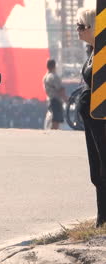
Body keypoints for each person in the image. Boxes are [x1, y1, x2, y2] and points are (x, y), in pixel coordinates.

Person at [76, 8, 106, 228]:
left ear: (93, 28)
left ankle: (103, 219)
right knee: (96, 171)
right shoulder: (93, 52)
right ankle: (101, 218)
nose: (78, 30)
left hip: (101, 121)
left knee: (103, 169)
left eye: (81, 26)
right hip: (91, 121)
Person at [43, 59, 66, 129]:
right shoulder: (53, 76)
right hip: (55, 100)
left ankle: (52, 131)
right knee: (56, 120)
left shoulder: (46, 76)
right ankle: (53, 133)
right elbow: (60, 89)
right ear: (54, 66)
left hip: (50, 99)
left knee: (53, 118)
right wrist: (66, 99)